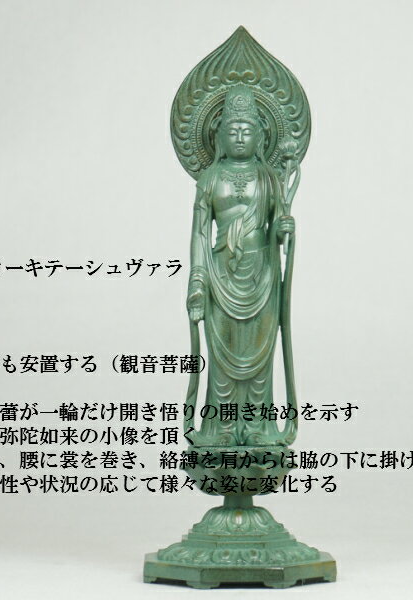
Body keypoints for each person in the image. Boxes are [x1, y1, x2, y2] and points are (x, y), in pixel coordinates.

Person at [186, 84, 294, 447]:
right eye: (232, 130)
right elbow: (200, 234)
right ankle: (223, 429)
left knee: (259, 359)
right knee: (223, 360)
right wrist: (197, 283)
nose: (240, 137)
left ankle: (258, 428)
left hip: (262, 273)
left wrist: (284, 230)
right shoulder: (210, 179)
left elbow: (277, 229)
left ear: (261, 135)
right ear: (218, 136)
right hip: (220, 275)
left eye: (247, 130)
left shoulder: (269, 178)